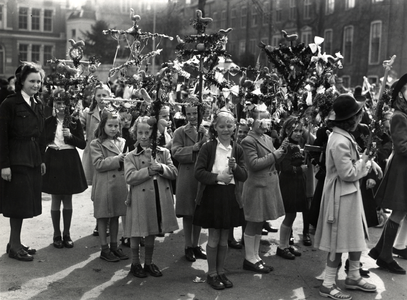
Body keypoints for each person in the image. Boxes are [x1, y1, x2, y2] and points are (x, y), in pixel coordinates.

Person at [314, 94, 382, 300]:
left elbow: (354, 160)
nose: (360, 118)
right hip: (340, 197)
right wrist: (367, 164)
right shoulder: (339, 140)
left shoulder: (343, 136)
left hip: (348, 196)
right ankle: (327, 284)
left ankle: (353, 275)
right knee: (337, 240)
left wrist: (367, 160)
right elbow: (349, 174)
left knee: (354, 236)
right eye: (358, 115)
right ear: (351, 119)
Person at [193, 110, 247, 290]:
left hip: (230, 196)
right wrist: (217, 177)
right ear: (215, 127)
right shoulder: (208, 147)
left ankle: (221, 270)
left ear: (235, 128)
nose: (226, 129)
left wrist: (236, 167)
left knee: (225, 237)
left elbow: (244, 175)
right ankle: (212, 273)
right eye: (221, 126)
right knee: (214, 236)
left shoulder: (237, 149)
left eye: (229, 126)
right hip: (213, 195)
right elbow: (198, 172)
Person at [0, 62, 46, 261]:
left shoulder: (37, 103)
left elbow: (40, 134)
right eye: (32, 81)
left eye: (39, 81)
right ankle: (15, 246)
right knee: (17, 204)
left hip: (32, 158)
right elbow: (1, 136)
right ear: (21, 82)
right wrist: (4, 165)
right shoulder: (9, 104)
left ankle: (14, 242)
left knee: (25, 203)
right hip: (17, 160)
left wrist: (41, 159)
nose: (36, 85)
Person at [124, 116, 179, 278]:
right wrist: (148, 171)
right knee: (136, 231)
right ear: (135, 134)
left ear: (154, 134)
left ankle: (148, 262)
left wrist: (160, 167)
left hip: (158, 197)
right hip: (139, 198)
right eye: (139, 132)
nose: (143, 136)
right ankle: (135, 263)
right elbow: (129, 177)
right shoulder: (131, 156)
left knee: (151, 230)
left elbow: (174, 172)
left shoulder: (164, 152)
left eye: (147, 132)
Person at [369, 73, 407, 274]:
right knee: (399, 212)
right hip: (402, 170)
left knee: (401, 212)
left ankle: (379, 251)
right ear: (401, 94)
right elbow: (402, 147)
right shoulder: (399, 116)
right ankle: (385, 256)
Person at [240, 110, 286, 273]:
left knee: (259, 222)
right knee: (253, 222)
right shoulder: (248, 140)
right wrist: (276, 154)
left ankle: (255, 256)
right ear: (253, 121)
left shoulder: (266, 138)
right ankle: (249, 258)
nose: (266, 122)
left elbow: (273, 159)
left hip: (267, 186)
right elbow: (253, 164)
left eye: (267, 118)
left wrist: (282, 151)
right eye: (262, 119)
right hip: (257, 186)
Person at [42, 92, 88, 248]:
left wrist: (70, 136)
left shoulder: (74, 122)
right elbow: (42, 143)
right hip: (53, 158)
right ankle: (56, 234)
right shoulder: (48, 122)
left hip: (69, 159)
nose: (61, 106)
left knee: (67, 197)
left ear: (69, 105)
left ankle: (67, 234)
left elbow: (82, 144)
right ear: (53, 104)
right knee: (55, 198)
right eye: (58, 103)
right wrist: (42, 161)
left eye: (64, 103)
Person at [90, 108, 129, 262]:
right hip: (104, 186)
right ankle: (104, 248)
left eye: (116, 125)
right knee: (103, 216)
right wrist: (118, 159)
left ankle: (114, 245)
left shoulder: (122, 142)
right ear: (103, 126)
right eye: (110, 125)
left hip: (118, 184)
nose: (113, 129)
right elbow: (98, 164)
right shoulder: (96, 143)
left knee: (115, 216)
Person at [172, 100, 207, 262]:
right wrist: (193, 148)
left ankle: (196, 244)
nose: (192, 117)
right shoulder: (180, 132)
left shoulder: (206, 131)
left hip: (202, 175)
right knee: (188, 213)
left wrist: (205, 137)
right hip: (187, 175)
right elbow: (176, 152)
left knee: (199, 211)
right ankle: (188, 245)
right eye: (189, 114)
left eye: (195, 113)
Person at [79, 83, 110, 236]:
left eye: (105, 95)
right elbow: (78, 125)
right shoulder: (89, 113)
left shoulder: (113, 112)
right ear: (94, 97)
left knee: (110, 190)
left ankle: (108, 222)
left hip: (110, 156)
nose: (102, 98)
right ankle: (100, 222)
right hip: (94, 156)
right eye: (99, 95)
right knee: (97, 192)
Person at [276, 116, 308, 260]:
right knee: (289, 215)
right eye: (295, 130)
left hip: (296, 183)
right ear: (287, 130)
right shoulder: (287, 145)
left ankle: (285, 245)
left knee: (293, 215)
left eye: (300, 130)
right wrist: (301, 169)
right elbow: (286, 167)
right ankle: (282, 246)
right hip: (289, 183)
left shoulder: (295, 144)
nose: (298, 133)